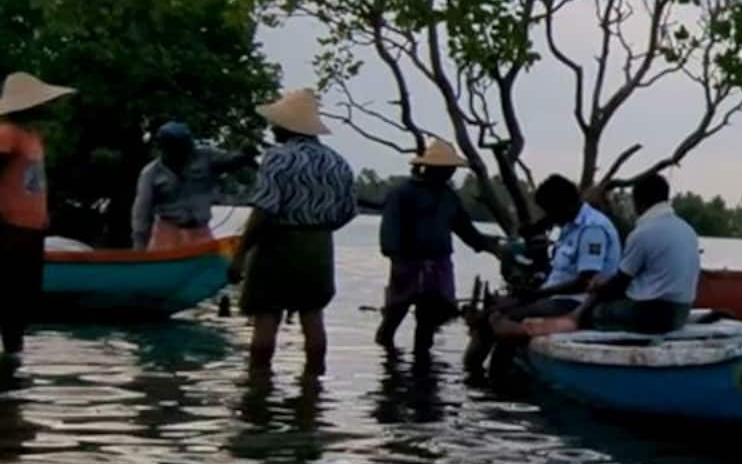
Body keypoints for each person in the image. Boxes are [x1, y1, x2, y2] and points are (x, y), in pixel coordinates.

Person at [230, 88, 357, 377]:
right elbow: (348, 212)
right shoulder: (338, 163)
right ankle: (313, 387)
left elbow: (264, 210)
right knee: (313, 315)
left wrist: (240, 254)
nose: (272, 127)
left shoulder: (278, 158)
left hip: (278, 245)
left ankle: (258, 386)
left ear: (286, 126)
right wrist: (317, 231)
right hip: (320, 247)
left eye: (276, 122)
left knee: (265, 316)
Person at [376, 138, 502, 353]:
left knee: (428, 321)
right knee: (395, 314)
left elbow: (466, 231)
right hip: (407, 263)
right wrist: (396, 258)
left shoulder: (448, 197)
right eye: (446, 168)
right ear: (432, 168)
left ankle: (422, 364)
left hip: (438, 264)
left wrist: (494, 247)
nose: (450, 172)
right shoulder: (402, 193)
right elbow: (390, 230)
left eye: (451, 169)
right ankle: (388, 356)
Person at [483, 174, 621, 340]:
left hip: (577, 301)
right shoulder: (570, 224)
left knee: (507, 316)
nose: (551, 218)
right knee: (493, 311)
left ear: (567, 206)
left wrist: (538, 294)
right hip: (555, 296)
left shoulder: (592, 229)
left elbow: (585, 283)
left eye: (552, 212)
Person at [0, 72, 74, 359]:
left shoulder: (31, 136)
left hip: (29, 230)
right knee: (9, 296)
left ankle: (13, 358)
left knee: (22, 299)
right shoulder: (7, 134)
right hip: (9, 229)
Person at [579, 173, 699, 335]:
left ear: (639, 202)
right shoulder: (687, 230)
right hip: (682, 312)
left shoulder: (643, 232)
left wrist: (597, 287)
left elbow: (620, 285)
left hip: (652, 314)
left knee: (595, 313)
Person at [131, 121, 257, 251]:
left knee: (207, 269)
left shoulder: (205, 156)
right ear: (164, 147)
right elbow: (141, 214)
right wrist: (139, 249)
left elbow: (230, 161)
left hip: (200, 232)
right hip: (166, 233)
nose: (186, 153)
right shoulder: (150, 173)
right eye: (178, 148)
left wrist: (243, 156)